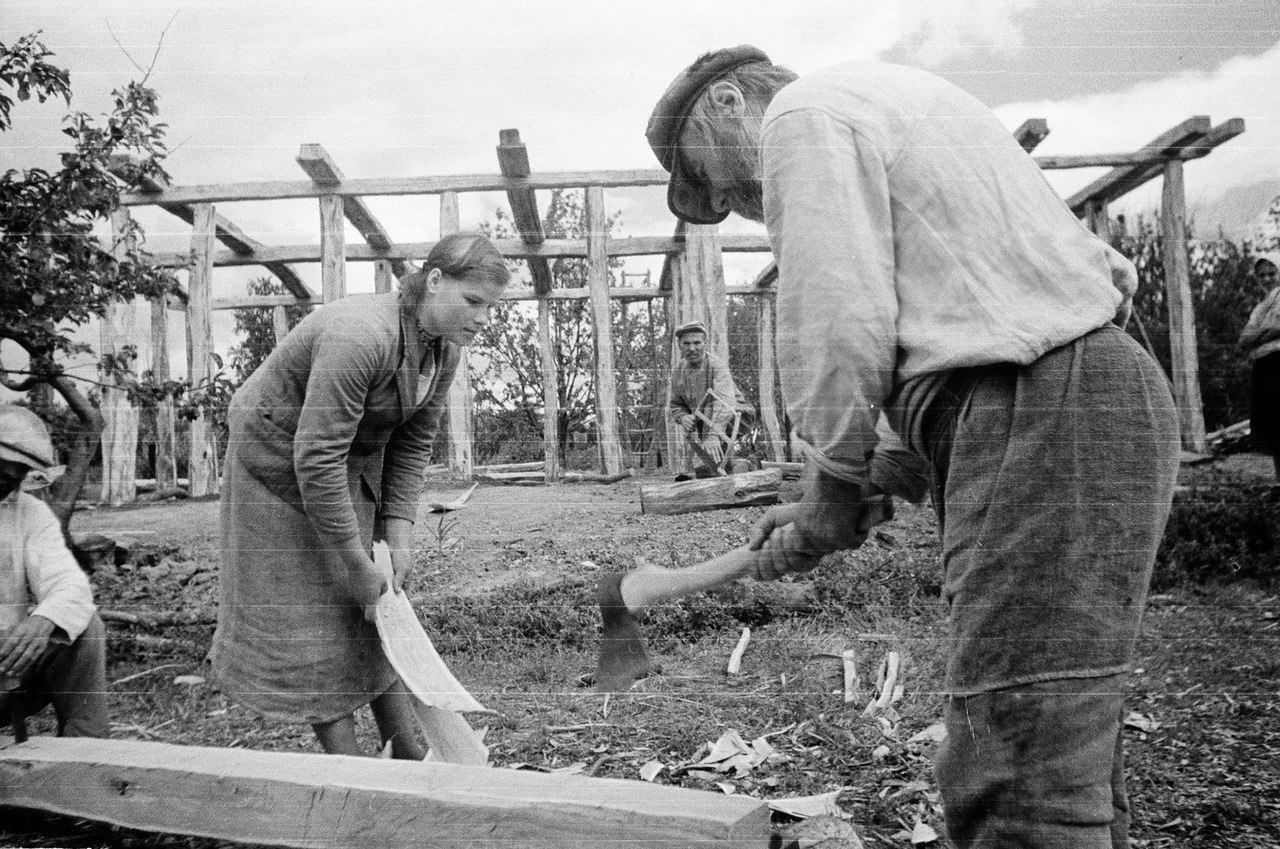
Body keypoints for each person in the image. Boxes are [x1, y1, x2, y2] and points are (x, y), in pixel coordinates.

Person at [647, 46, 1179, 848]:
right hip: (1080, 399)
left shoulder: (804, 114)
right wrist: (856, 485)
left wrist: (828, 487)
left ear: (727, 102)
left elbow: (838, 314)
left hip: (1045, 405)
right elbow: (949, 328)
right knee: (1057, 746)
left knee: (1019, 773)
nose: (725, 197)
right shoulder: (887, 107)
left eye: (706, 173)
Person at [209, 232, 509, 759]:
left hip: (342, 457)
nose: (484, 318)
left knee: (379, 600)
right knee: (314, 612)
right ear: (435, 281)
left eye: (491, 307)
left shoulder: (444, 349)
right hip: (277, 460)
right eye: (474, 301)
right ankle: (350, 767)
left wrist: (399, 536)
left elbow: (413, 444)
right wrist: (350, 559)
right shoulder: (359, 334)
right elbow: (315, 456)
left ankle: (404, 746)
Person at [0, 405, 108, 739]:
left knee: (84, 627)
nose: (7, 486)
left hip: (7, 674)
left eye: (15, 479)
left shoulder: (29, 513)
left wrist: (45, 620)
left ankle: (87, 757)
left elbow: (69, 583)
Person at [667, 320, 750, 479]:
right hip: (706, 420)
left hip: (736, 413)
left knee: (710, 408)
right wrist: (682, 417)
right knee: (709, 472)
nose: (692, 348)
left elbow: (725, 403)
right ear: (679, 345)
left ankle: (747, 465)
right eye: (686, 343)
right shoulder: (678, 370)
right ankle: (736, 467)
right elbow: (676, 404)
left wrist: (713, 434)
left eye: (697, 342)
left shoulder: (717, 366)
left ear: (705, 343)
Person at [1240, 252, 1280, 483]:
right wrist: (1265, 332)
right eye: (1261, 275)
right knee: (1274, 430)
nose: (1266, 279)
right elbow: (1243, 339)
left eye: (1271, 273)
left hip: (1278, 363)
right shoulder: (1260, 308)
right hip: (1264, 367)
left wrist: (1258, 335)